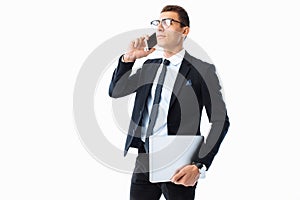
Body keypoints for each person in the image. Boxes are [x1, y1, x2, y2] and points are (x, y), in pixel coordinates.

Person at [109, 5, 230, 200]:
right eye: (158, 22)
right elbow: (116, 91)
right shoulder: (149, 66)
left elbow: (220, 121)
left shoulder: (203, 70)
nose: (160, 27)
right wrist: (129, 59)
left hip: (179, 163)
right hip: (144, 159)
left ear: (185, 30)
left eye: (168, 22)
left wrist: (199, 166)